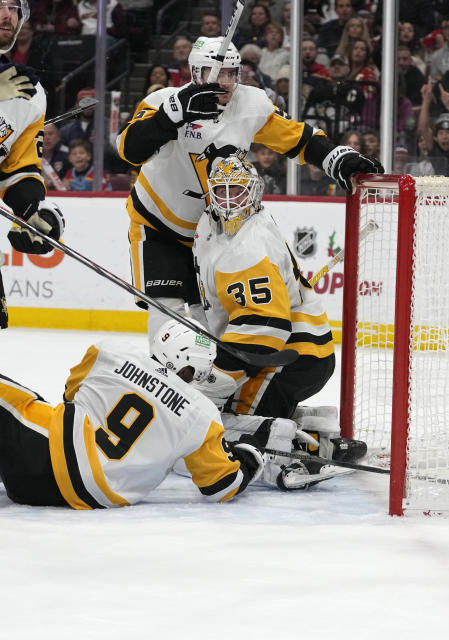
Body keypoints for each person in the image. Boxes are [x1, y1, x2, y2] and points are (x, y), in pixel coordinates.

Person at [115, 35, 382, 346]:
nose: (225, 82)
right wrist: (171, 116)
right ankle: (167, 380)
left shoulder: (251, 104)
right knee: (168, 313)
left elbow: (299, 139)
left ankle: (216, 385)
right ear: (196, 73)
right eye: (216, 74)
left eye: (231, 73)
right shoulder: (163, 101)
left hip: (215, 230)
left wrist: (335, 156)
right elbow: (128, 150)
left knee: (210, 319)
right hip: (158, 224)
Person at [190, 155, 365, 487]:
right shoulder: (214, 226)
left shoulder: (250, 247)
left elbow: (264, 328)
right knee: (226, 416)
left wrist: (219, 382)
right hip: (291, 353)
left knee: (228, 425)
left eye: (237, 192)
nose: (228, 200)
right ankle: (320, 436)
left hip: (289, 357)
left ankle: (290, 458)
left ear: (254, 193)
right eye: (221, 191)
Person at [0, 331, 264, 507]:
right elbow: (222, 486)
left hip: (40, 452)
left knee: (22, 402)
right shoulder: (203, 415)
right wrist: (249, 456)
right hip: (83, 497)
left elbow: (70, 394)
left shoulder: (110, 353)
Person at [0, 0, 65, 329]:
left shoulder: (29, 90)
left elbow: (16, 170)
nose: (6, 15)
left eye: (13, 7)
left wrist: (32, 211)